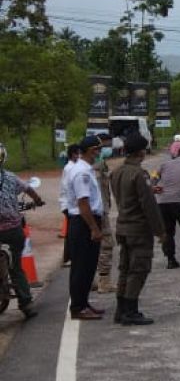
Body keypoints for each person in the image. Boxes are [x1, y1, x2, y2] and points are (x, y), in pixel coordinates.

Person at [109, 133, 166, 326]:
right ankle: (130, 310)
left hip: (123, 226)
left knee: (124, 269)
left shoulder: (116, 172)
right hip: (138, 229)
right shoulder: (139, 174)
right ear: (142, 152)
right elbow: (149, 206)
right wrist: (160, 231)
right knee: (139, 269)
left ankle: (120, 309)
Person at [0, 142, 46, 319]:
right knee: (16, 267)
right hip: (12, 230)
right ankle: (26, 304)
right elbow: (29, 189)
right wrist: (38, 200)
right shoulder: (11, 178)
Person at [65, 135, 106, 319]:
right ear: (91, 150)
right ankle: (78, 308)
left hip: (86, 221)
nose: (100, 152)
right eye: (98, 149)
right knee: (82, 267)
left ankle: (83, 303)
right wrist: (94, 228)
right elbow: (83, 203)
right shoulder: (81, 172)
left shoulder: (84, 169)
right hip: (84, 223)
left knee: (88, 266)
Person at [154, 144, 180, 269]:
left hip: (163, 202)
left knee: (168, 232)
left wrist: (154, 186)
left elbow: (153, 176)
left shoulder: (165, 164)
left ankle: (171, 260)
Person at [93, 133, 117, 293]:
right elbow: (101, 193)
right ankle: (104, 281)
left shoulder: (79, 166)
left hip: (89, 212)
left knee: (91, 247)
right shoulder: (97, 167)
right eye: (105, 146)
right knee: (107, 245)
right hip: (99, 212)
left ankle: (91, 280)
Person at [58, 143, 81, 268]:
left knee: (70, 232)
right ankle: (70, 257)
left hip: (68, 204)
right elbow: (68, 187)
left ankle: (68, 257)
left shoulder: (72, 166)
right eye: (79, 153)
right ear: (73, 154)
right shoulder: (70, 168)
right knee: (72, 233)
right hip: (69, 204)